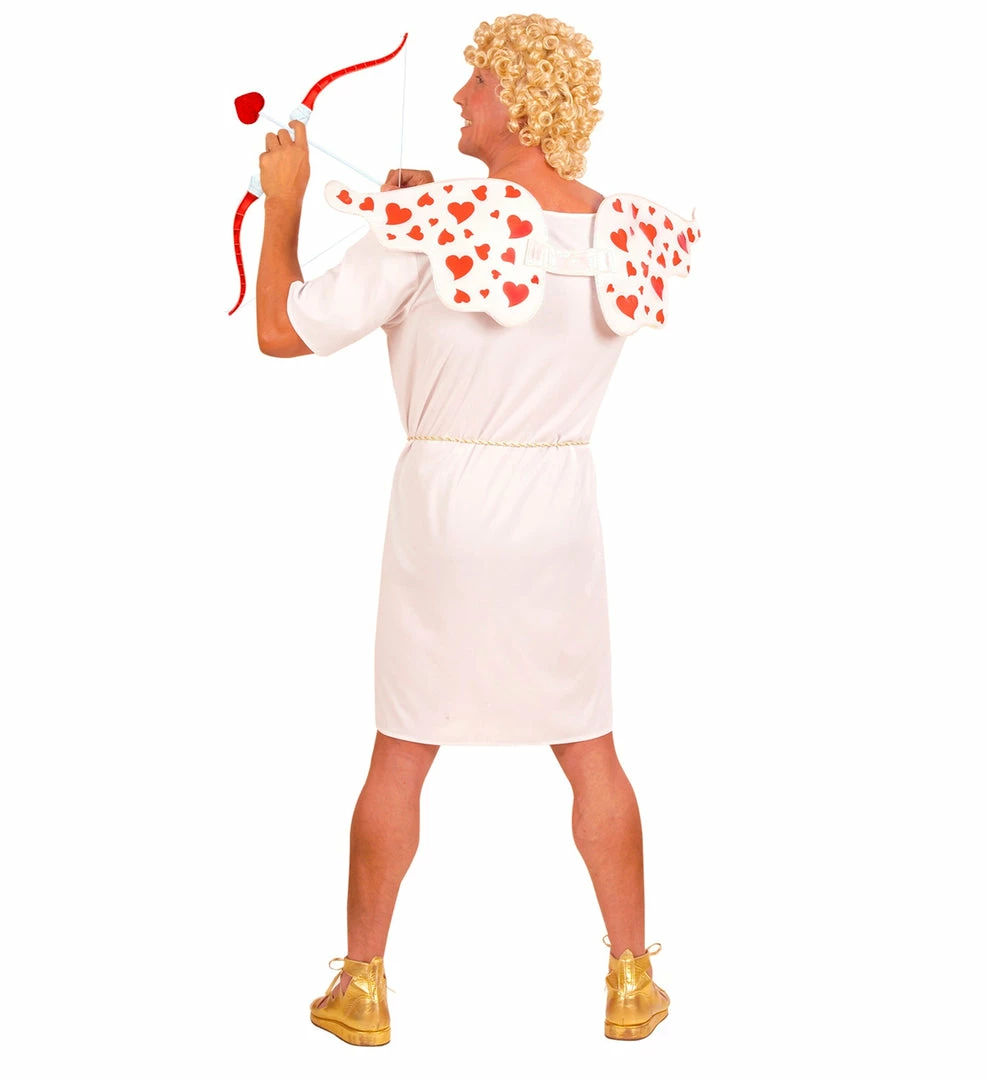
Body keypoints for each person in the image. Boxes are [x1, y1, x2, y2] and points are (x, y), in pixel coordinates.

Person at [255, 13, 676, 1044]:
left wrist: (287, 205)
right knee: (590, 747)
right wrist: (417, 210)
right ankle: (630, 979)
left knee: (401, 751)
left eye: (476, 82)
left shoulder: (428, 224)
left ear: (519, 105)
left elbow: (280, 330)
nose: (457, 97)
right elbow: (512, 240)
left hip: (446, 517)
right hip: (559, 514)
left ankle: (363, 986)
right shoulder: (623, 232)